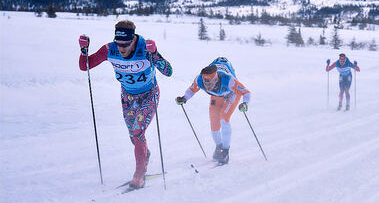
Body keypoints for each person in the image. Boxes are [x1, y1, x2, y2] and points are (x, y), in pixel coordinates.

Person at [78, 20, 173, 189]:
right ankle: (144, 154)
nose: (121, 48)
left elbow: (168, 71)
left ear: (133, 40)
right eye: (118, 43)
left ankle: (139, 175)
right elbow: (85, 66)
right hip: (128, 97)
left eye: (125, 44)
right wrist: (83, 51)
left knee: (137, 132)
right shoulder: (109, 49)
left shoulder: (144, 48)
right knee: (134, 136)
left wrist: (156, 53)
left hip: (149, 95)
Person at [175, 57, 251, 165]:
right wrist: (184, 98)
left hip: (231, 94)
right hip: (217, 96)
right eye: (206, 85)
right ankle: (219, 147)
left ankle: (225, 151)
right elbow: (192, 90)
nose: (207, 87)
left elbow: (246, 92)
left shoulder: (228, 80)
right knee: (214, 122)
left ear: (216, 79)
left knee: (224, 119)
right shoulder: (200, 79)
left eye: (210, 84)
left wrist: (245, 104)